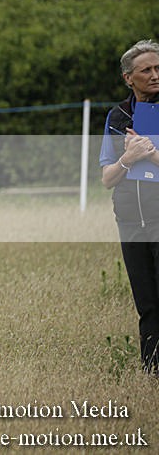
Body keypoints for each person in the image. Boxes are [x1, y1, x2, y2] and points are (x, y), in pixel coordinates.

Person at [100, 39, 159, 376]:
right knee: (146, 303)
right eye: (146, 70)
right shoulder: (117, 116)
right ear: (128, 78)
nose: (154, 75)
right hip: (131, 221)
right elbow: (108, 177)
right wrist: (128, 157)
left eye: (158, 68)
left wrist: (150, 154)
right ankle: (151, 371)